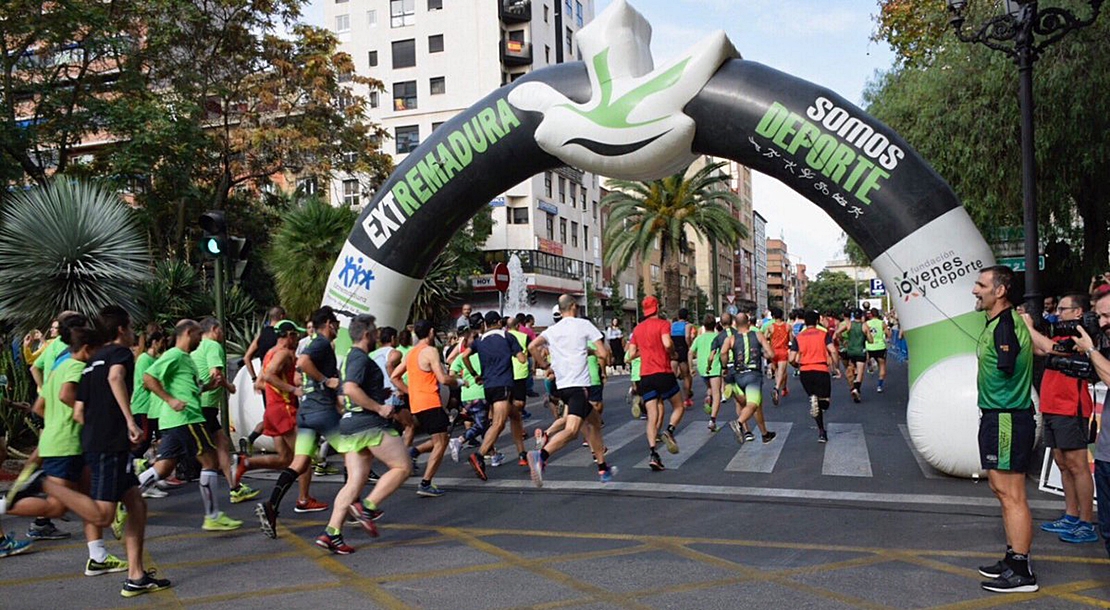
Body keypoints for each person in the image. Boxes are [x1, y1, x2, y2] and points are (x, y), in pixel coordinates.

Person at [64, 306, 171, 597]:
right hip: (110, 444)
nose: (135, 331)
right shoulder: (120, 354)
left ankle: (136, 576)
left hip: (100, 442)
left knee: (137, 504)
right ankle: (49, 489)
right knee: (103, 513)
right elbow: (115, 378)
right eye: (132, 326)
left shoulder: (91, 360)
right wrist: (127, 422)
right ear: (122, 329)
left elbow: (78, 411)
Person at [315, 315, 412, 554]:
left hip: (351, 426)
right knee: (402, 467)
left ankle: (331, 533)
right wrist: (379, 407)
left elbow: (343, 394)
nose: (378, 335)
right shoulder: (359, 357)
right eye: (376, 332)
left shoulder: (349, 358)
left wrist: (377, 393)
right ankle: (367, 508)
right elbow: (349, 389)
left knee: (354, 481)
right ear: (367, 334)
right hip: (368, 424)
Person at [136, 320, 242, 532]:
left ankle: (122, 499)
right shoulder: (174, 355)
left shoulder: (187, 359)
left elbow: (191, 388)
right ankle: (212, 516)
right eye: (198, 334)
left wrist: (210, 385)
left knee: (164, 467)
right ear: (188, 333)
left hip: (178, 420)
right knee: (210, 460)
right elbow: (148, 378)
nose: (200, 339)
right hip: (186, 418)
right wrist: (169, 399)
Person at [971, 266, 1037, 593]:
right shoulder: (999, 323)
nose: (974, 290)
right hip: (998, 416)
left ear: (1000, 291)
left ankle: (1022, 571)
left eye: (981, 285)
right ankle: (1012, 558)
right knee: (1001, 489)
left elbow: (1009, 365)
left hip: (1007, 416)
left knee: (1012, 494)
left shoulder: (1006, 326)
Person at [1020, 293, 1099, 544]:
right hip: (1053, 404)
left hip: (1071, 406)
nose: (1058, 313)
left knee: (1077, 464)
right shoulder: (1059, 332)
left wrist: (1029, 327)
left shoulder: (1080, 335)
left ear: (1078, 312)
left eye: (1063, 309)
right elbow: (1038, 348)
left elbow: (1055, 350)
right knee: (1061, 462)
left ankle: (1086, 521)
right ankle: (1071, 514)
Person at [259, 308, 341, 521]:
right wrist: (324, 381)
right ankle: (355, 508)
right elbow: (289, 369)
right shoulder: (319, 344)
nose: (339, 327)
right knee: (355, 454)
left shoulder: (277, 353)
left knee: (298, 461)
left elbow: (267, 378)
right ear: (329, 323)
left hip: (305, 413)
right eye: (337, 322)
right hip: (319, 411)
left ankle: (271, 505)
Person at [526, 295, 614, 486]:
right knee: (573, 431)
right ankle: (540, 456)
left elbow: (532, 346)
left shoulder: (553, 329)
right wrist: (594, 353)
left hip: (563, 386)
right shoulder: (583, 325)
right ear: (573, 307)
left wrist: (545, 366)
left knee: (595, 422)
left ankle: (602, 467)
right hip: (578, 386)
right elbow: (604, 353)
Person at [240, 321, 309, 537]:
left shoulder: (270, 352)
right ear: (287, 335)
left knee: (285, 458)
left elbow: (260, 382)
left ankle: (247, 463)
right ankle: (294, 501)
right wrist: (292, 389)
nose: (297, 339)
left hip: (273, 409)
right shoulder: (283, 354)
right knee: (304, 458)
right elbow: (268, 376)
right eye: (295, 336)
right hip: (284, 409)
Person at [193, 318, 258, 504]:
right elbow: (216, 375)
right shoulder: (213, 346)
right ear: (214, 329)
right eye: (221, 329)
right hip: (205, 405)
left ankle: (234, 487)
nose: (223, 334)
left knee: (221, 442)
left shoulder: (197, 347)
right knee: (203, 457)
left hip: (202, 405)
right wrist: (230, 387)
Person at [391, 320, 457, 497]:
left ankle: (415, 452)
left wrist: (410, 392)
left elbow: (394, 376)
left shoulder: (411, 354)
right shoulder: (430, 351)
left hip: (417, 404)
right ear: (431, 332)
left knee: (440, 439)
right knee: (441, 443)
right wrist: (458, 380)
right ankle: (426, 483)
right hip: (430, 401)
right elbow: (443, 379)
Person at [461, 312, 527, 480]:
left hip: (488, 386)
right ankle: (480, 455)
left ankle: (522, 453)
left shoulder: (480, 340)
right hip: (502, 384)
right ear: (499, 322)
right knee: (498, 423)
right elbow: (521, 359)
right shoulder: (507, 336)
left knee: (515, 415)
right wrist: (522, 355)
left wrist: (474, 373)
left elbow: (464, 356)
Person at [1071, 292, 1110, 559]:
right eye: (1100, 316)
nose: (1103, 323)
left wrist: (1092, 351)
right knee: (1107, 531)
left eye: (1108, 316)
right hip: (1106, 455)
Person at [626, 296, 684, 471]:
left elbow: (630, 354)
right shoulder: (663, 324)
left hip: (646, 375)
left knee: (652, 416)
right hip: (663, 372)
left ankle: (653, 453)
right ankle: (669, 431)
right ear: (657, 307)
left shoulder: (637, 329)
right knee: (679, 406)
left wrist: (644, 352)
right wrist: (672, 352)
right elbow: (667, 343)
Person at [720, 313, 776, 445]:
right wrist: (762, 354)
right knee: (753, 403)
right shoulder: (758, 335)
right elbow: (771, 353)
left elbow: (723, 352)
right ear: (749, 323)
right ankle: (738, 423)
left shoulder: (731, 339)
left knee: (757, 405)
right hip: (753, 376)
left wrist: (724, 366)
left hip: (738, 375)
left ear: (736, 325)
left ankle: (764, 434)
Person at [242, 306, 287, 453]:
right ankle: (286, 454)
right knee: (280, 417)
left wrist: (255, 378)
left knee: (270, 414)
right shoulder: (282, 337)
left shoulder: (262, 335)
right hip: (280, 382)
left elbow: (247, 357)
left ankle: (251, 438)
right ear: (282, 316)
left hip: (266, 383)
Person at [789, 311, 836, 443]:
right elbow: (832, 350)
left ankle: (821, 431)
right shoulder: (823, 334)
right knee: (825, 403)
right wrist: (835, 366)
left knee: (814, 399)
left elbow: (791, 358)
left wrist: (796, 365)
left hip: (805, 371)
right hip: (821, 369)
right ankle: (819, 402)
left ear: (805, 322)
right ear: (817, 322)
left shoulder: (799, 337)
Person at [688, 315, 722, 431]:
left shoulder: (699, 338)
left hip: (702, 368)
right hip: (715, 367)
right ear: (715, 325)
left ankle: (708, 397)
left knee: (710, 388)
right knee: (717, 393)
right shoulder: (718, 337)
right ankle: (712, 420)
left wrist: (691, 367)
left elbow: (690, 352)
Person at [764, 307, 791, 405]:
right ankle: (776, 388)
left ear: (774, 316)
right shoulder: (788, 326)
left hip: (773, 352)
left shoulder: (770, 327)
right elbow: (791, 339)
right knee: (782, 371)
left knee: (776, 371)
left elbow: (765, 338)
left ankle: (779, 388)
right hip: (783, 351)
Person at [839, 308, 867, 403]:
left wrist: (843, 340)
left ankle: (852, 386)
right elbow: (871, 340)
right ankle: (856, 389)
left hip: (849, 351)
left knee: (850, 368)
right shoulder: (864, 325)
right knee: (860, 372)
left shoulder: (848, 324)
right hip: (860, 351)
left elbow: (836, 334)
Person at [670, 308, 695, 407]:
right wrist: (690, 347)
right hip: (683, 349)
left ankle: (674, 398)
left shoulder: (673, 325)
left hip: (674, 350)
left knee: (673, 374)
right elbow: (687, 336)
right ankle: (687, 399)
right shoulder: (687, 325)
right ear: (687, 316)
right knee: (686, 376)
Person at [864, 309, 890, 393]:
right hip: (880, 346)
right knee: (882, 366)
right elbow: (888, 334)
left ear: (870, 314)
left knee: (867, 359)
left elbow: (864, 334)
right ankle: (879, 386)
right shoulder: (882, 323)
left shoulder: (867, 323)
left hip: (870, 346)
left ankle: (870, 364)